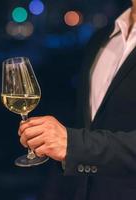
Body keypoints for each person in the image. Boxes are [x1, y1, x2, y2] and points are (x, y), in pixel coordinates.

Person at [18, 1, 136, 200]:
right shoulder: (102, 38)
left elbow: (78, 143)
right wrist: (52, 143)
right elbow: (88, 122)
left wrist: (73, 144)